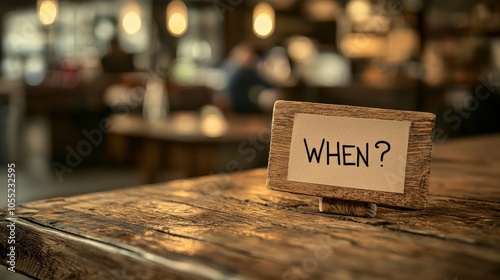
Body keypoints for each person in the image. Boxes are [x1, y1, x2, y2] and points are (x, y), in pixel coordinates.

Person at [223, 44, 272, 114]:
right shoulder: (240, 74)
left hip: (244, 113)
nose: (253, 57)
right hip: (244, 114)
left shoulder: (251, 73)